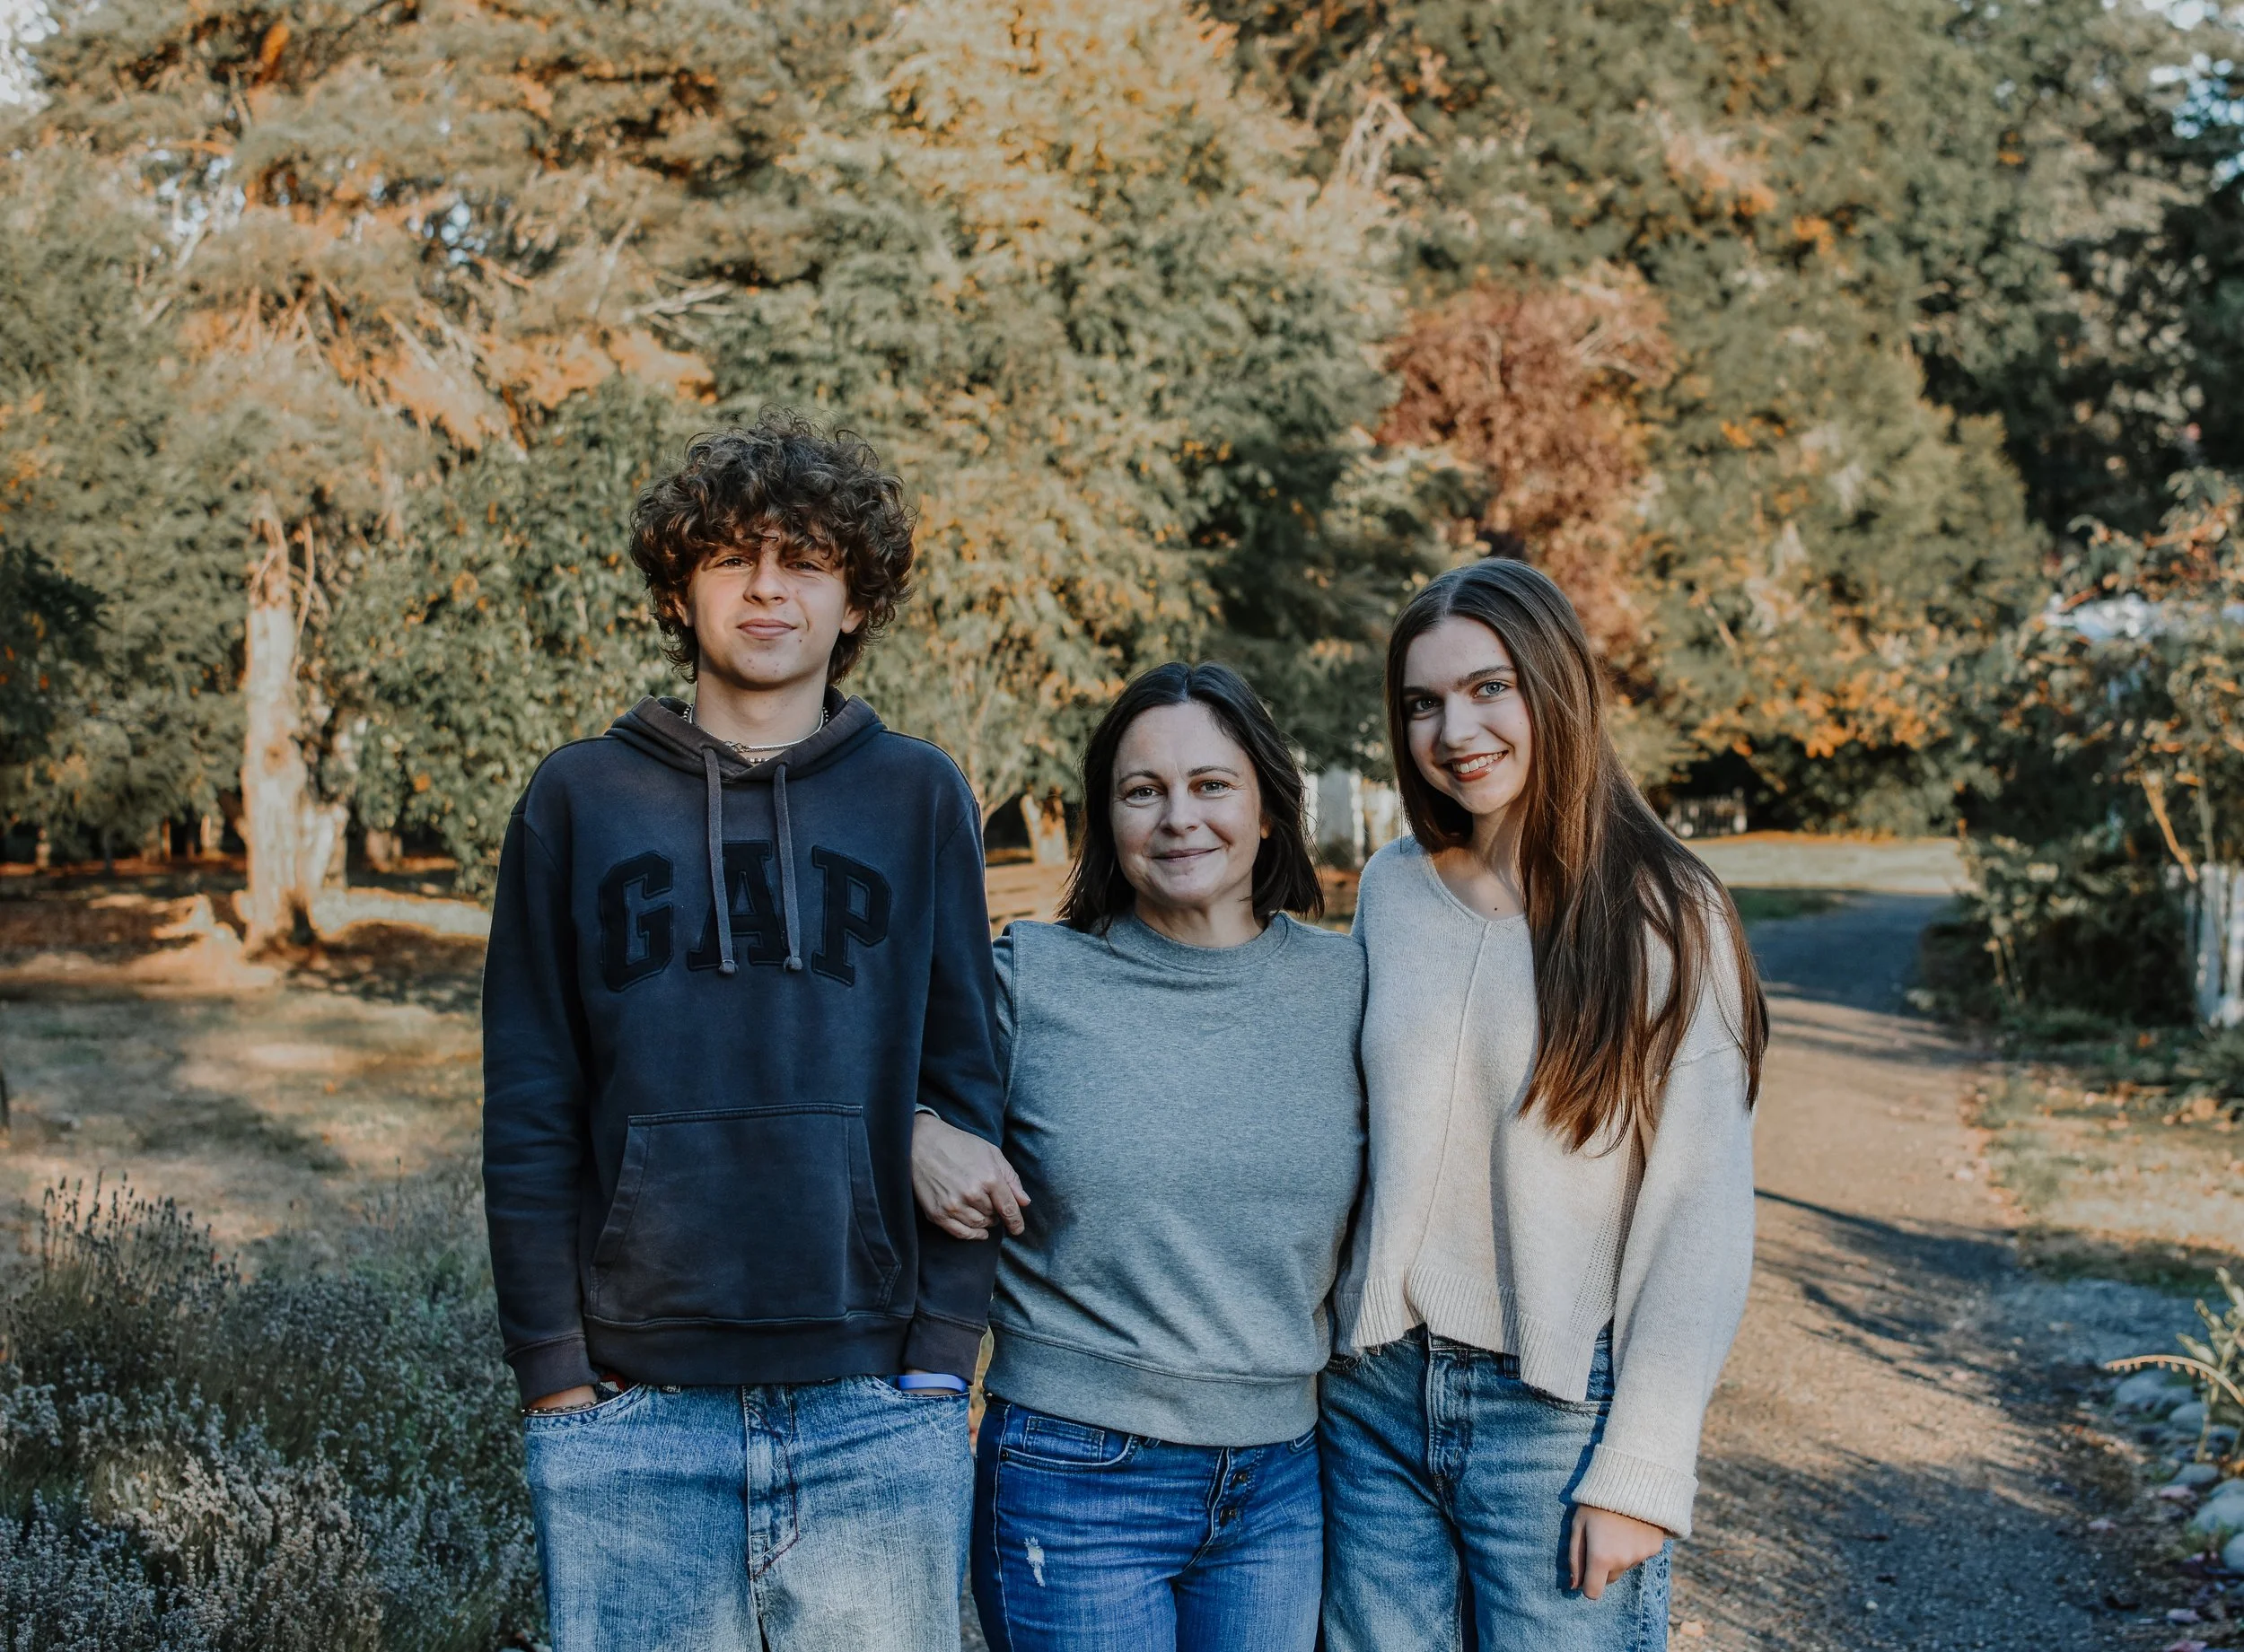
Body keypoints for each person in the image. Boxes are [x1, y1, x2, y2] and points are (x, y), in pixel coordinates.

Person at [479, 412, 1006, 1652]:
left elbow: (968, 1083)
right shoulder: (578, 798)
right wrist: (552, 1369)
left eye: (807, 559)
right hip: (631, 1409)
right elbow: (530, 1100)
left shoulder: (920, 795)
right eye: (732, 557)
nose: (769, 588)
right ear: (681, 587)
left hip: (875, 1406)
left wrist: (940, 1360)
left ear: (857, 597)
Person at [1320, 556, 1767, 1652]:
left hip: (1554, 1408)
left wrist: (1642, 1467)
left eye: (1488, 687)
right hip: (1371, 1390)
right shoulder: (1391, 887)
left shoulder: (1665, 911)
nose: (1452, 729)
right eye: (1422, 702)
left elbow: (1699, 1214)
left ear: (1554, 687)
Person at [913, 662, 1366, 1652]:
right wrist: (916, 1128)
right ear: (1105, 818)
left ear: (1266, 806)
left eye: (1211, 784)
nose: (1178, 818)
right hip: (1073, 1478)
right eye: (1141, 790)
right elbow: (845, 1069)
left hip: (1280, 1481)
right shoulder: (1030, 978)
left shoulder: (1348, 985)